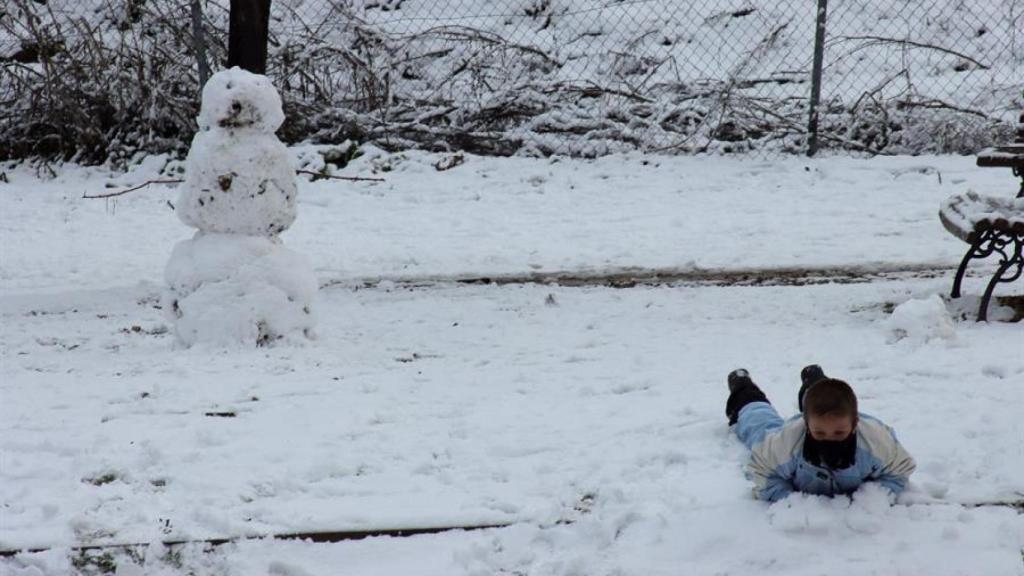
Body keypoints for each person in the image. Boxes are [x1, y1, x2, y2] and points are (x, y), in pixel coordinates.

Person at [725, 365, 915, 503]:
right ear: (806, 424)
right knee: (759, 424)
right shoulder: (787, 440)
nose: (830, 438)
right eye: (820, 433)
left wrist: (869, 500)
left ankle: (814, 380)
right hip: (796, 432)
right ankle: (743, 388)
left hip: (830, 415)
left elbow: (899, 472)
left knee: (829, 400)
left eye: (839, 433)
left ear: (854, 424)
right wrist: (792, 502)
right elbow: (762, 472)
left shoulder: (875, 441)